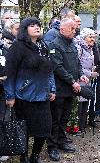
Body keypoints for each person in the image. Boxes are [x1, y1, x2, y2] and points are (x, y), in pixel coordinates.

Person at [4, 17, 56, 163]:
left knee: (44, 129)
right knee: (24, 129)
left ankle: (35, 155)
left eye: (38, 25)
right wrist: (10, 96)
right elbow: (10, 73)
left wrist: (52, 88)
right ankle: (24, 156)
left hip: (43, 95)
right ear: (25, 29)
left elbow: (49, 70)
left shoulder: (43, 46)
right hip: (24, 96)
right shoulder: (17, 47)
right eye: (32, 25)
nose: (37, 27)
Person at [47, 18, 89, 161]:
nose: (74, 30)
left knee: (65, 117)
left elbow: (77, 63)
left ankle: (62, 140)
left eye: (74, 28)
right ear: (62, 29)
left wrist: (81, 74)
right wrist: (72, 81)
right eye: (71, 28)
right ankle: (52, 146)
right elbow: (57, 67)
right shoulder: (54, 44)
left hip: (71, 89)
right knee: (56, 118)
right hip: (59, 89)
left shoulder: (71, 44)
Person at [75, 28, 99, 133]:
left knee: (86, 101)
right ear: (84, 38)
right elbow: (77, 65)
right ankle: (77, 127)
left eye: (94, 37)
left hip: (87, 79)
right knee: (80, 102)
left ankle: (82, 125)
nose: (92, 39)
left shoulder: (89, 48)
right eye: (90, 37)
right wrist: (90, 73)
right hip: (80, 78)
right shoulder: (79, 47)